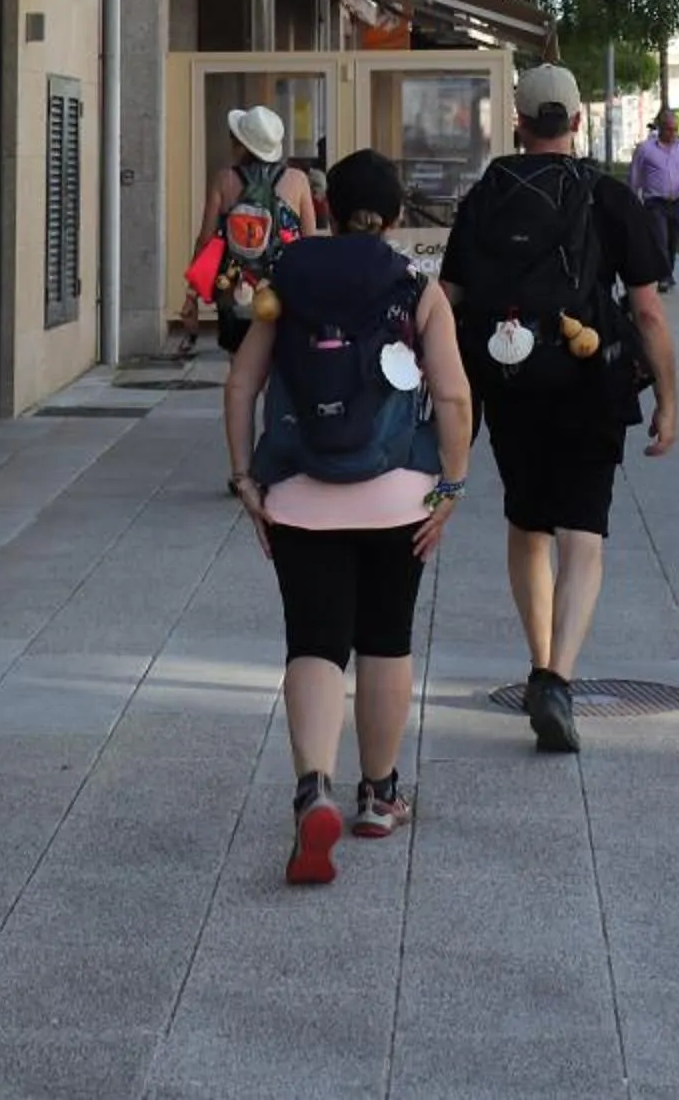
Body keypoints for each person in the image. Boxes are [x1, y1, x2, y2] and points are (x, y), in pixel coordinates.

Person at [224, 149, 472, 884]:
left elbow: (241, 385)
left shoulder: (285, 281)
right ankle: (379, 794)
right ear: (395, 217)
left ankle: (312, 788)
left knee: (314, 642)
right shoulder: (416, 288)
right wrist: (450, 487)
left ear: (325, 210)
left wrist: (244, 476)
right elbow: (454, 398)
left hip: (299, 494)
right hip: (399, 496)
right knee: (386, 640)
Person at [441, 63, 675, 755]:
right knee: (584, 531)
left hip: (510, 379)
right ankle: (557, 676)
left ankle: (538, 659)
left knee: (527, 521)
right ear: (576, 123)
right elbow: (649, 312)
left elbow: (448, 297)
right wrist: (669, 398)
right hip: (588, 380)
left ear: (516, 123)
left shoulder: (485, 195)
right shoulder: (607, 198)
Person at [191, 102, 318, 353]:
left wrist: (192, 294)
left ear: (241, 144)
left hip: (236, 287)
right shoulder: (297, 180)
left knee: (239, 364)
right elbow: (309, 241)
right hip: (284, 287)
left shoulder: (224, 179)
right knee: (281, 359)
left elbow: (206, 240)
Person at [628, 108, 679, 290]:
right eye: (669, 129)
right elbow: (635, 176)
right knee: (660, 240)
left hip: (677, 202)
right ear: (661, 129)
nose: (673, 134)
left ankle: (668, 273)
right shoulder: (645, 149)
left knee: (673, 241)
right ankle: (663, 276)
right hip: (655, 203)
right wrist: (632, 200)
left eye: (676, 129)